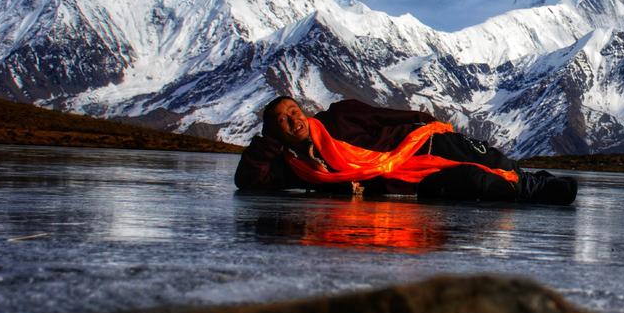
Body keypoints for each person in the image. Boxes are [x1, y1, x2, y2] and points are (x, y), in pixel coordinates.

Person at [234, 96, 577, 205]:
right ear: (274, 131)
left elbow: (383, 115)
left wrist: (428, 122)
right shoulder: (295, 166)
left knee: (491, 160)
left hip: (424, 143)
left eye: (294, 111)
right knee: (477, 184)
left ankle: (538, 185)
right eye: (282, 120)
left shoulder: (337, 117)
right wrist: (268, 143)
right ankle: (527, 187)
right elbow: (247, 181)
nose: (292, 119)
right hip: (410, 182)